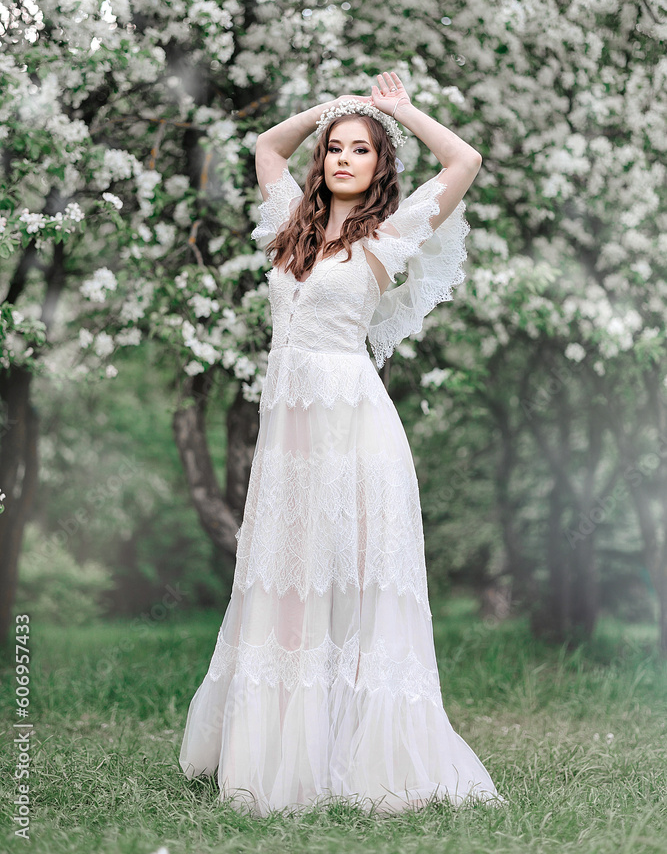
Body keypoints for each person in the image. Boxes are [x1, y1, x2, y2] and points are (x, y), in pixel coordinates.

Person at [179, 71, 505, 816]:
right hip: (288, 433)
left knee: (347, 580)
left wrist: (396, 111)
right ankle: (276, 744)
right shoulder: (288, 223)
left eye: (360, 150)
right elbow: (266, 144)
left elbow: (464, 163)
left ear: (379, 165)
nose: (343, 157)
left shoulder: (389, 236)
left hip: (351, 429)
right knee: (286, 576)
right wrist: (330, 109)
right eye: (334, 148)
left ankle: (358, 749)